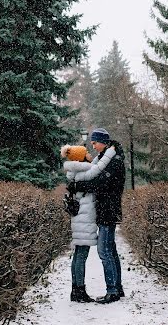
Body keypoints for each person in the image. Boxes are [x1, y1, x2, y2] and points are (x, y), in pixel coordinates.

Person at [67, 128, 126, 304]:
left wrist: (78, 186)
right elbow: (94, 175)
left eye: (95, 142)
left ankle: (113, 291)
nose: (92, 145)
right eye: (91, 142)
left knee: (104, 251)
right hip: (104, 210)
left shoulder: (114, 161)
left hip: (108, 210)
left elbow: (100, 183)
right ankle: (117, 288)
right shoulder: (104, 158)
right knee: (110, 250)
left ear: (104, 142)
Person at [61, 143, 116, 303]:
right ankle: (79, 291)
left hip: (80, 219)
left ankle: (76, 290)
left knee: (79, 254)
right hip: (83, 220)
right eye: (87, 153)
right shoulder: (83, 172)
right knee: (81, 255)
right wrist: (109, 154)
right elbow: (98, 168)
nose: (90, 154)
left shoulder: (77, 171)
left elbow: (94, 166)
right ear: (81, 157)